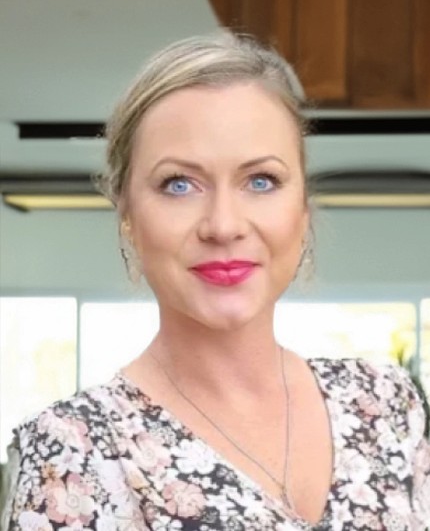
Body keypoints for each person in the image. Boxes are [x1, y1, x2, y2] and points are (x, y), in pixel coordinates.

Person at [3, 32, 430, 531]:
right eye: (179, 184)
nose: (223, 225)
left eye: (261, 181)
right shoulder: (72, 452)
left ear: (302, 210)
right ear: (128, 217)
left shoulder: (384, 403)